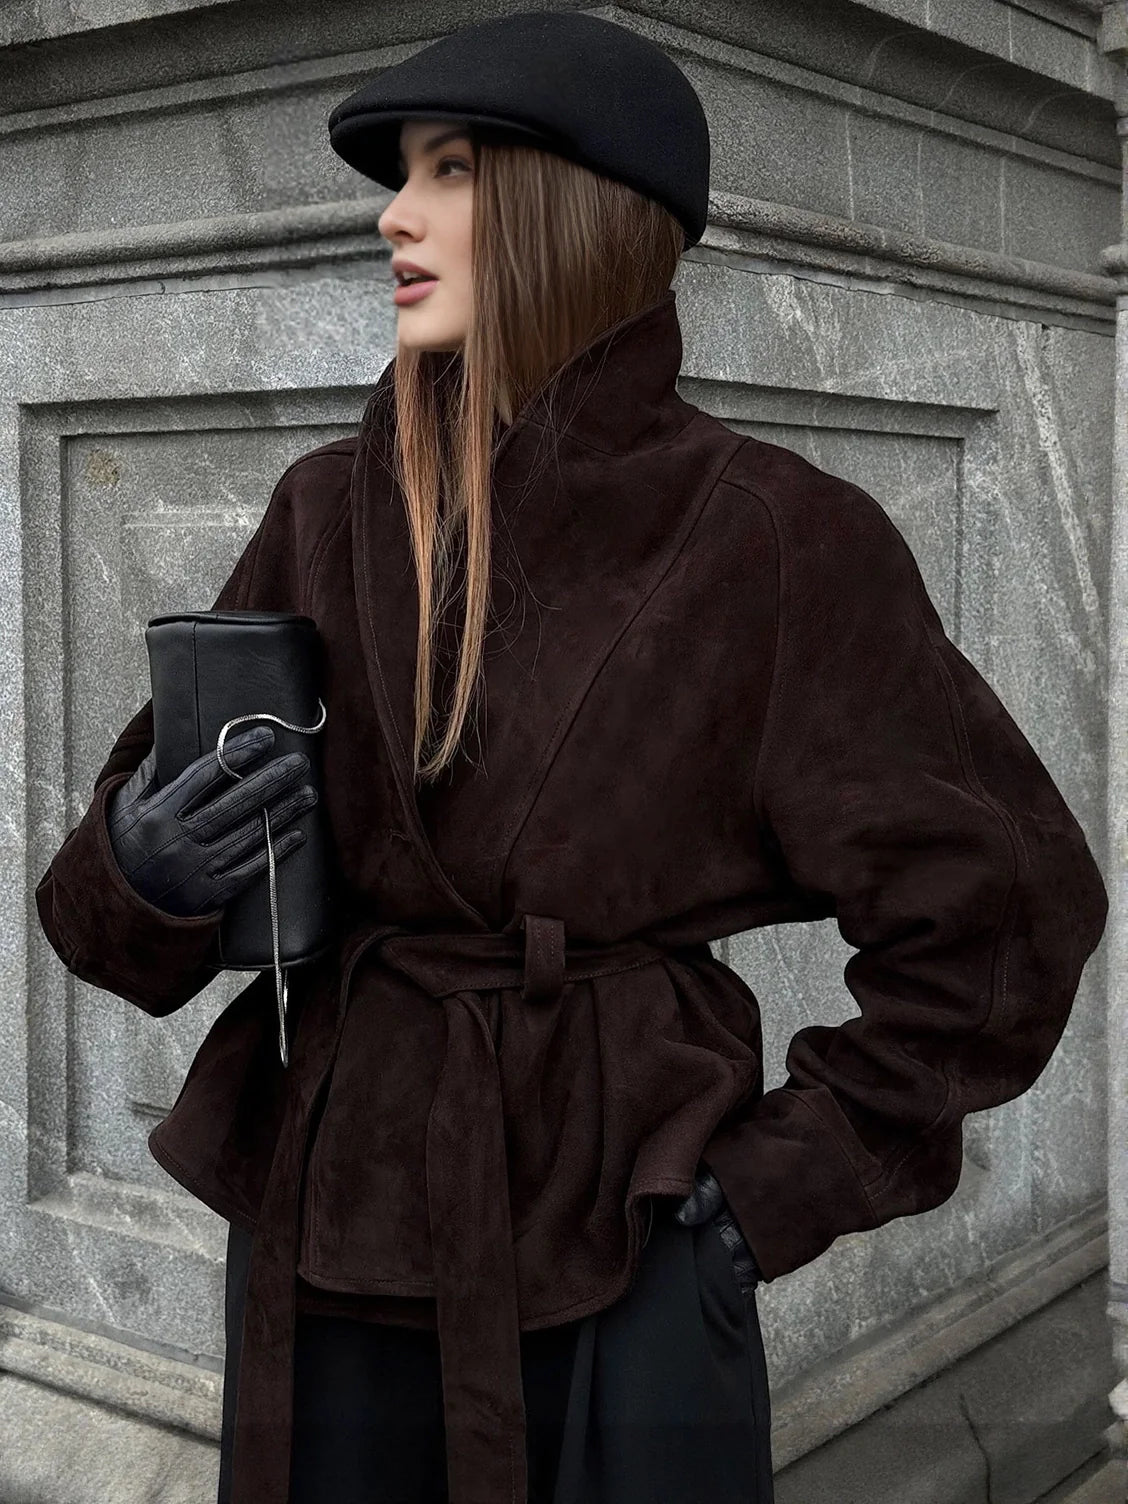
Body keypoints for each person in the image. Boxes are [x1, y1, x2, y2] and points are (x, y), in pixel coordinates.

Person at [33, 11, 1108, 1504]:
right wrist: (142, 863)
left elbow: (1003, 912)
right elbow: (127, 883)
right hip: (328, 1214)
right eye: (400, 175)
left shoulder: (777, 536)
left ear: (581, 211)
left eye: (453, 170)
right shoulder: (327, 506)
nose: (394, 215)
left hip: (625, 1246)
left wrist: (761, 1194)